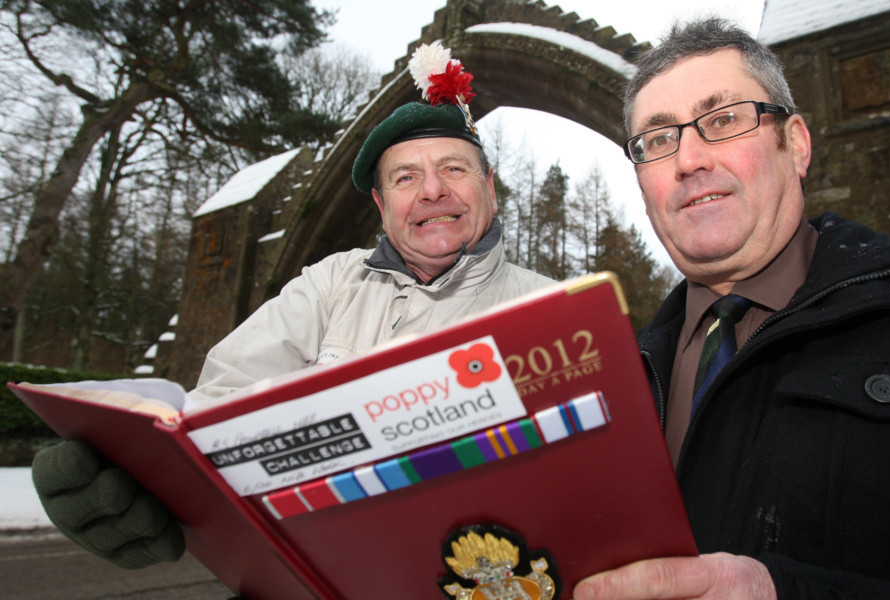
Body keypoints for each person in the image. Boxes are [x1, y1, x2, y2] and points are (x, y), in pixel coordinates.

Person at [30, 44, 552, 571]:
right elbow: (217, 410)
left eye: (453, 168)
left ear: (488, 186)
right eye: (405, 178)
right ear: (381, 204)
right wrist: (142, 482)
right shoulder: (330, 284)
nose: (432, 191)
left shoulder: (552, 308)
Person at [572, 17, 890, 600]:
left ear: (795, 144)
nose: (688, 158)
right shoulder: (610, 377)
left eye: (722, 120)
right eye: (657, 139)